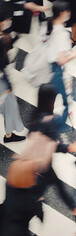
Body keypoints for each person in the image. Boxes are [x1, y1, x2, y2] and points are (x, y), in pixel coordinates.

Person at [1, 84, 76, 236]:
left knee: (56, 184)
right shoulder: (50, 120)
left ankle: (75, 210)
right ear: (52, 100)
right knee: (33, 198)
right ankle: (75, 211)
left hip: (30, 163)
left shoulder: (34, 116)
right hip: (39, 168)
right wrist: (70, 148)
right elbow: (53, 145)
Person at [47, 1, 76, 128]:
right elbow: (61, 60)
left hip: (48, 69)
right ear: (62, 13)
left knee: (51, 98)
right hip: (57, 71)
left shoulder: (49, 25)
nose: (69, 14)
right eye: (68, 12)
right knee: (68, 99)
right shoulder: (62, 34)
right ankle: (59, 126)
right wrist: (74, 53)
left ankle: (48, 120)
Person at [0, 8, 26, 143]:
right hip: (2, 83)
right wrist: (8, 85)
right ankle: (9, 136)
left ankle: (9, 134)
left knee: (8, 108)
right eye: (7, 20)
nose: (9, 22)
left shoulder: (3, 37)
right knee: (9, 107)